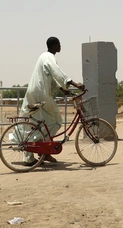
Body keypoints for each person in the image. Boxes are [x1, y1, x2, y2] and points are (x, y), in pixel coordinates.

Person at [18, 36, 84, 166]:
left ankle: (29, 157)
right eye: (59, 44)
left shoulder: (43, 57)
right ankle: (45, 151)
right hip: (41, 93)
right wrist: (76, 85)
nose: (60, 46)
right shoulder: (49, 57)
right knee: (56, 120)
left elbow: (51, 77)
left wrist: (63, 89)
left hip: (34, 92)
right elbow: (58, 73)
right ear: (54, 46)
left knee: (36, 123)